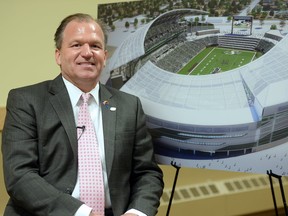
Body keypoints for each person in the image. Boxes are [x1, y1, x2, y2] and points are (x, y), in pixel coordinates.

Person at [2, 13, 164, 216]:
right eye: (76, 45)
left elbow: (147, 173)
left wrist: (137, 212)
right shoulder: (27, 101)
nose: (87, 53)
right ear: (58, 55)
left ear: (105, 57)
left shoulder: (129, 106)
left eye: (95, 46)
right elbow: (20, 176)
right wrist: (82, 213)